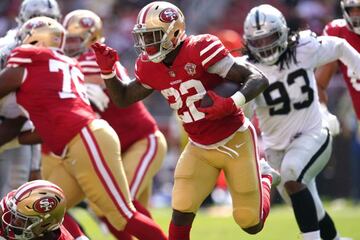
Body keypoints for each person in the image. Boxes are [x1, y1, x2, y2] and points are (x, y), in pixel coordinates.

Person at [92, 1, 281, 239]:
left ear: (172, 33)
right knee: (181, 213)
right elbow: (124, 98)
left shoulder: (200, 48)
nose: (146, 44)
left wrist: (231, 103)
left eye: (152, 36)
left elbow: (257, 78)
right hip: (198, 147)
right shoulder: (150, 66)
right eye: (143, 37)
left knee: (250, 223)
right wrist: (108, 73)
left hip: (235, 140)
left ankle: (265, 176)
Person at [0, 16, 167, 240]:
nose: (19, 45)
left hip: (86, 137)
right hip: (77, 140)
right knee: (50, 205)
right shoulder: (64, 66)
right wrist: (12, 140)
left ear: (35, 43)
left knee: (122, 215)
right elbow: (49, 127)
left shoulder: (27, 65)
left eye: (24, 39)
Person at [242, 4, 360, 240]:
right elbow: (242, 120)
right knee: (306, 202)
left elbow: (338, 46)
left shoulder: (303, 48)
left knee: (292, 174)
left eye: (270, 38)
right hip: (277, 148)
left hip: (314, 131)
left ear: (283, 33)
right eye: (259, 41)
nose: (265, 47)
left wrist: (356, 64)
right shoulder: (247, 69)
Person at [62, 9, 167, 239]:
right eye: (66, 38)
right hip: (114, 150)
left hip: (141, 142)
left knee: (115, 206)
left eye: (76, 39)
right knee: (119, 210)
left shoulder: (92, 58)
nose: (69, 45)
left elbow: (110, 77)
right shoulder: (65, 63)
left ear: (91, 38)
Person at [0, 0, 61, 198]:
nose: (45, 27)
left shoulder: (54, 54)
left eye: (50, 21)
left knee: (15, 193)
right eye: (38, 20)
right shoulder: (9, 49)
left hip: (20, 127)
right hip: (9, 123)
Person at [315, 0, 360, 204]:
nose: (357, 15)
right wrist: (323, 114)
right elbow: (319, 84)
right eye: (353, 10)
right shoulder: (338, 31)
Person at [0, 180, 73, 239]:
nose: (15, 221)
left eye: (23, 219)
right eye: (15, 214)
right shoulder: (9, 206)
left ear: (45, 224)